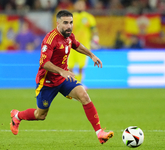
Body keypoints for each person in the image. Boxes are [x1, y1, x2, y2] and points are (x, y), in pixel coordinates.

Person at [10, 10, 114, 144]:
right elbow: (44, 63)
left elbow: (77, 45)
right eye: (65, 23)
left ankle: (99, 132)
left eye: (71, 23)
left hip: (63, 79)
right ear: (58, 23)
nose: (69, 26)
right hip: (46, 82)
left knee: (84, 95)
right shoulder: (50, 39)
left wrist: (91, 55)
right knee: (40, 115)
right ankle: (17, 115)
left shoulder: (69, 36)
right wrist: (61, 71)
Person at [68, 0, 99, 83]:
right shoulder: (71, 17)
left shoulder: (89, 17)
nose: (80, 6)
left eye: (82, 5)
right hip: (71, 45)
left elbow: (94, 29)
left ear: (85, 6)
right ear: (75, 6)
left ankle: (80, 83)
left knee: (81, 66)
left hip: (84, 45)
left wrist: (95, 38)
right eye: (78, 5)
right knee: (70, 65)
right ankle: (72, 83)